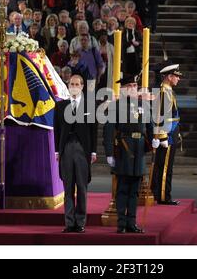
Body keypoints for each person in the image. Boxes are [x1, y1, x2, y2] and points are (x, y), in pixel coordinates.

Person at [104, 75, 152, 233]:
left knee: (135, 190)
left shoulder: (143, 105)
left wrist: (154, 141)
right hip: (124, 148)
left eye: (135, 85)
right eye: (130, 85)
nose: (133, 88)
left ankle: (132, 222)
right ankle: (121, 223)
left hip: (139, 148)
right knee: (123, 188)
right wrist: (109, 153)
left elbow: (149, 125)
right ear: (123, 89)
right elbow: (109, 129)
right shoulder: (115, 106)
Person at [54, 74, 97, 233]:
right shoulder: (60, 106)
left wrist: (93, 151)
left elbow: (93, 130)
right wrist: (57, 151)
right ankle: (69, 222)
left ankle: (80, 222)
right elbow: (57, 130)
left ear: (82, 86)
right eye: (71, 83)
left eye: (77, 84)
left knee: (82, 186)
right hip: (66, 149)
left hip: (82, 149)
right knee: (68, 187)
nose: (74, 86)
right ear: (68, 85)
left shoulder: (89, 106)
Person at [151, 63, 182, 205]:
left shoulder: (167, 90)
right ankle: (164, 196)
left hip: (171, 132)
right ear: (169, 77)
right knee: (164, 168)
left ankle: (159, 193)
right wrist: (162, 136)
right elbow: (160, 115)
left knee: (164, 166)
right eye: (176, 76)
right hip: (167, 135)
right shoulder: (164, 92)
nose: (178, 79)